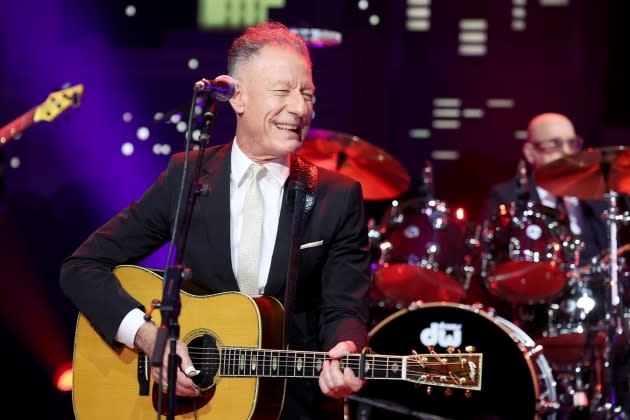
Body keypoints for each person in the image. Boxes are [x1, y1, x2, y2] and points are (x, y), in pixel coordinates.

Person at [60, 21, 370, 419]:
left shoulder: (336, 197)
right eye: (283, 91)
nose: (299, 108)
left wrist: (346, 347)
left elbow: (344, 310)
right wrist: (149, 336)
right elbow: (81, 267)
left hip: (290, 407)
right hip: (195, 408)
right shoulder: (186, 177)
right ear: (236, 97)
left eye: (307, 94)